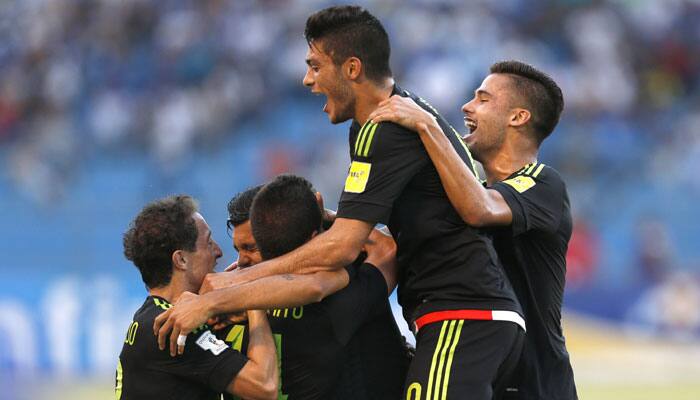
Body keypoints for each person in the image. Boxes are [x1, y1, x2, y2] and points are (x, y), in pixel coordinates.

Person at [196, 6, 526, 400]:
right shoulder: (392, 118)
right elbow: (373, 232)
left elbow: (343, 246)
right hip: (469, 313)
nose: (307, 79)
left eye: (316, 66)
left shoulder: (384, 129)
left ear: (351, 68)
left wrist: (236, 283)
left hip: (462, 311)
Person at [368, 60, 578, 399]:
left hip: (535, 385)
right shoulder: (472, 190)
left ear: (518, 117)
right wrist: (334, 220)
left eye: (483, 99)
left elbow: (480, 209)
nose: (467, 106)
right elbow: (402, 241)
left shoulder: (543, 184)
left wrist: (428, 126)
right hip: (477, 372)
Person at [156, 175, 408, 399]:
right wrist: (323, 217)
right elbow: (385, 248)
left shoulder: (227, 303)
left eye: (252, 248)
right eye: (238, 249)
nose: (241, 261)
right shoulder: (341, 285)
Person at [117, 195, 278, 400]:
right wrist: (253, 299)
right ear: (181, 259)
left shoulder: (152, 315)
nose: (218, 251)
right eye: (208, 242)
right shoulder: (173, 327)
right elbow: (264, 386)